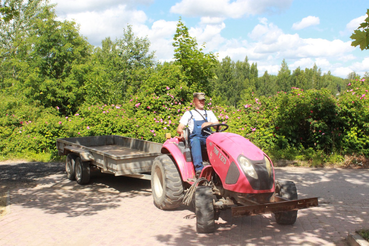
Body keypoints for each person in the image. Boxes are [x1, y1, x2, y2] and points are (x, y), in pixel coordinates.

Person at [176, 92, 219, 177]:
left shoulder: (209, 113)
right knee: (196, 141)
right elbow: (179, 128)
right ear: (194, 101)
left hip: (208, 137)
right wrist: (181, 132)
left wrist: (209, 123)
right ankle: (199, 169)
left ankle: (218, 167)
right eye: (200, 100)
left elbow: (218, 126)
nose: (202, 102)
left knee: (219, 141)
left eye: (203, 100)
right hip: (196, 137)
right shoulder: (189, 114)